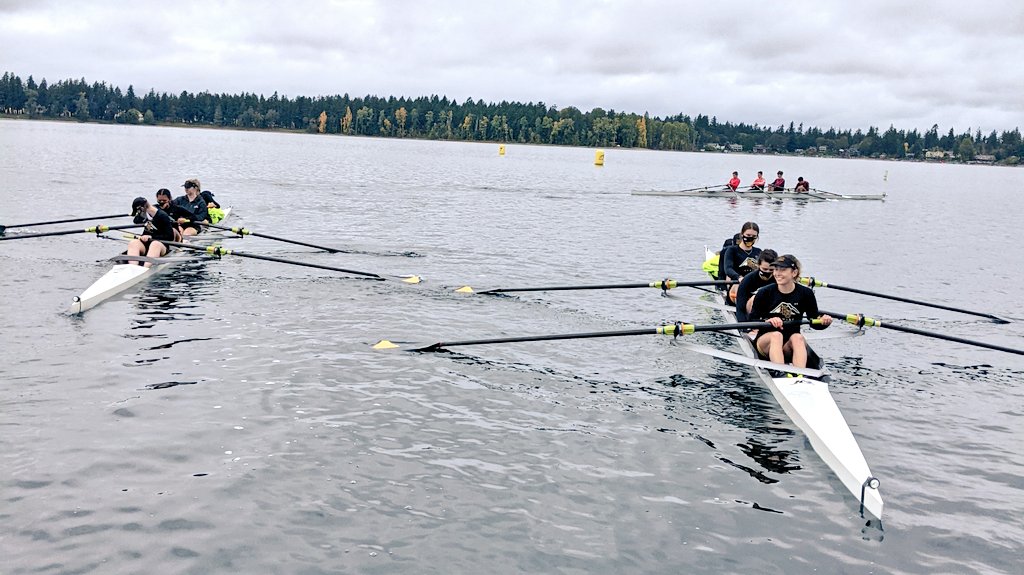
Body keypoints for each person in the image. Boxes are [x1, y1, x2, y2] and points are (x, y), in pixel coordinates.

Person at [750, 254, 832, 369]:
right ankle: (780, 371)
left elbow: (813, 320)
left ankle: (800, 375)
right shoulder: (765, 292)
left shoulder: (806, 293)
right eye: (776, 269)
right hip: (765, 344)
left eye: (782, 270)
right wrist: (768, 320)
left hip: (788, 346)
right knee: (776, 335)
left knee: (798, 337)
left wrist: (824, 322)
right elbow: (752, 319)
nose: (777, 273)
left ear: (794, 273)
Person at [126, 197, 176, 267]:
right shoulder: (144, 214)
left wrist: (151, 237)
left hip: (161, 246)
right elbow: (135, 221)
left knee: (155, 244)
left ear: (143, 208)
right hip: (146, 244)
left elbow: (170, 237)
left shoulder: (162, 216)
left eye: (139, 210)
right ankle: (132, 267)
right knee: (133, 242)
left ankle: (146, 268)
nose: (139, 213)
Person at [720, 222, 762, 300]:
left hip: (753, 286)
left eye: (754, 236)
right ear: (742, 234)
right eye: (748, 235)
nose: (750, 238)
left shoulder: (759, 252)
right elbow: (728, 269)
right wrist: (739, 278)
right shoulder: (732, 250)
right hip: (736, 284)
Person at [734, 249, 778, 323]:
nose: (767, 272)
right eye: (764, 269)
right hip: (751, 310)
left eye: (771, 270)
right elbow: (740, 309)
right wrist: (744, 328)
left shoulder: (778, 279)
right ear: (758, 265)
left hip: (771, 311)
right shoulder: (748, 279)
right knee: (758, 295)